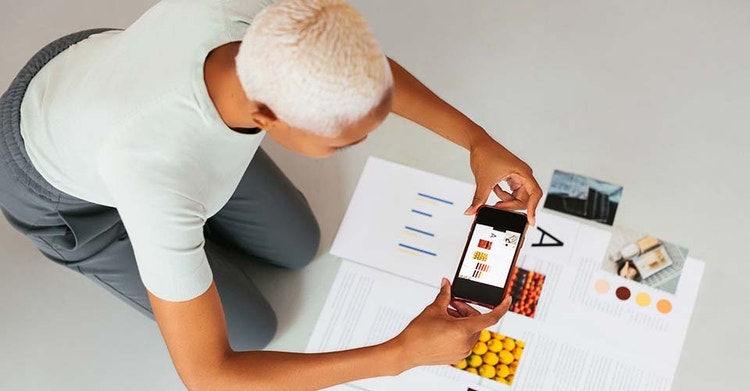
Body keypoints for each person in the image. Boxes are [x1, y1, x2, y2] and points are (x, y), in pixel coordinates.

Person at [0, 0, 543, 389]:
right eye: (340, 144)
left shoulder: (273, 23)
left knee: (300, 242)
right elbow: (208, 376)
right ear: (266, 117)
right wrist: (398, 355)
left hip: (98, 67)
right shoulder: (154, 173)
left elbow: (368, 74)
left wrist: (478, 141)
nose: (358, 144)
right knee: (253, 330)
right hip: (54, 178)